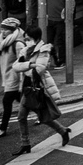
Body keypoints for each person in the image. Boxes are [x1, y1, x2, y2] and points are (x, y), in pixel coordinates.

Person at [11, 23, 71, 154]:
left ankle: (62, 131)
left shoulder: (43, 50)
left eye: (28, 39)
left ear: (36, 38)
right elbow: (15, 67)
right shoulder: (25, 51)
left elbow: (40, 68)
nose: (26, 41)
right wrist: (30, 64)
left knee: (40, 116)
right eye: (25, 39)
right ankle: (26, 143)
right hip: (27, 87)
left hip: (37, 89)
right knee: (24, 117)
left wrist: (27, 65)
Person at [45, 0, 69, 67]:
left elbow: (71, 3)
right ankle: (53, 59)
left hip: (60, 20)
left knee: (59, 41)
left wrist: (67, 14)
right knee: (49, 41)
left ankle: (61, 60)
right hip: (49, 19)